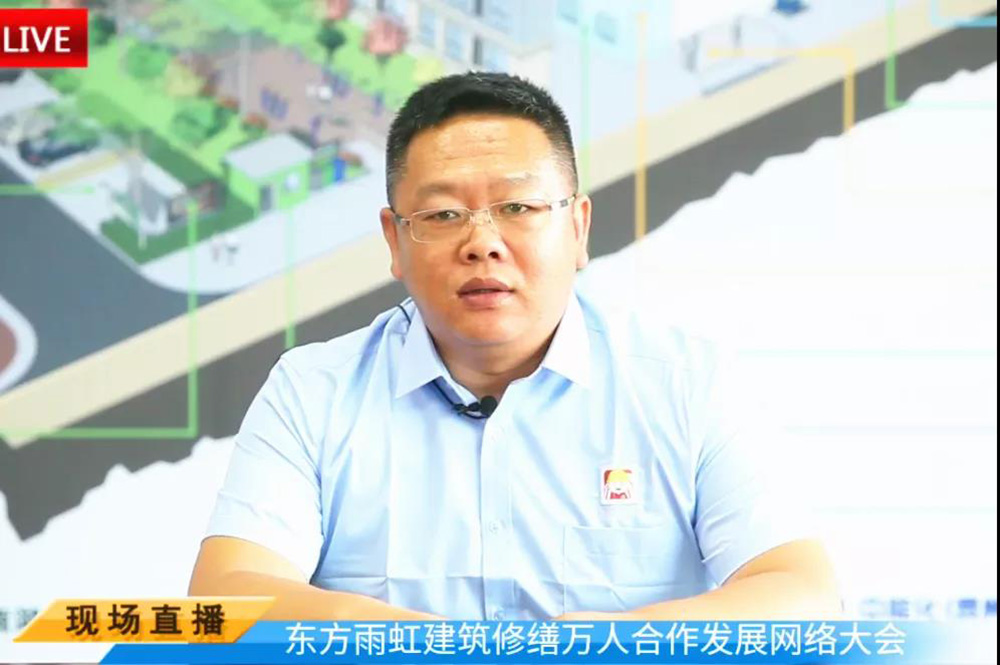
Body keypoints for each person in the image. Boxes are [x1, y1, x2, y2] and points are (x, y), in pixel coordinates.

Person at [189, 71, 841, 622]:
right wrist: (437, 651)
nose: (483, 243)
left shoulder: (686, 383)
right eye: (444, 214)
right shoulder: (314, 390)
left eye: (519, 208)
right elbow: (226, 597)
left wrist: (576, 652)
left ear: (578, 227)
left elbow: (801, 591)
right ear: (395, 240)